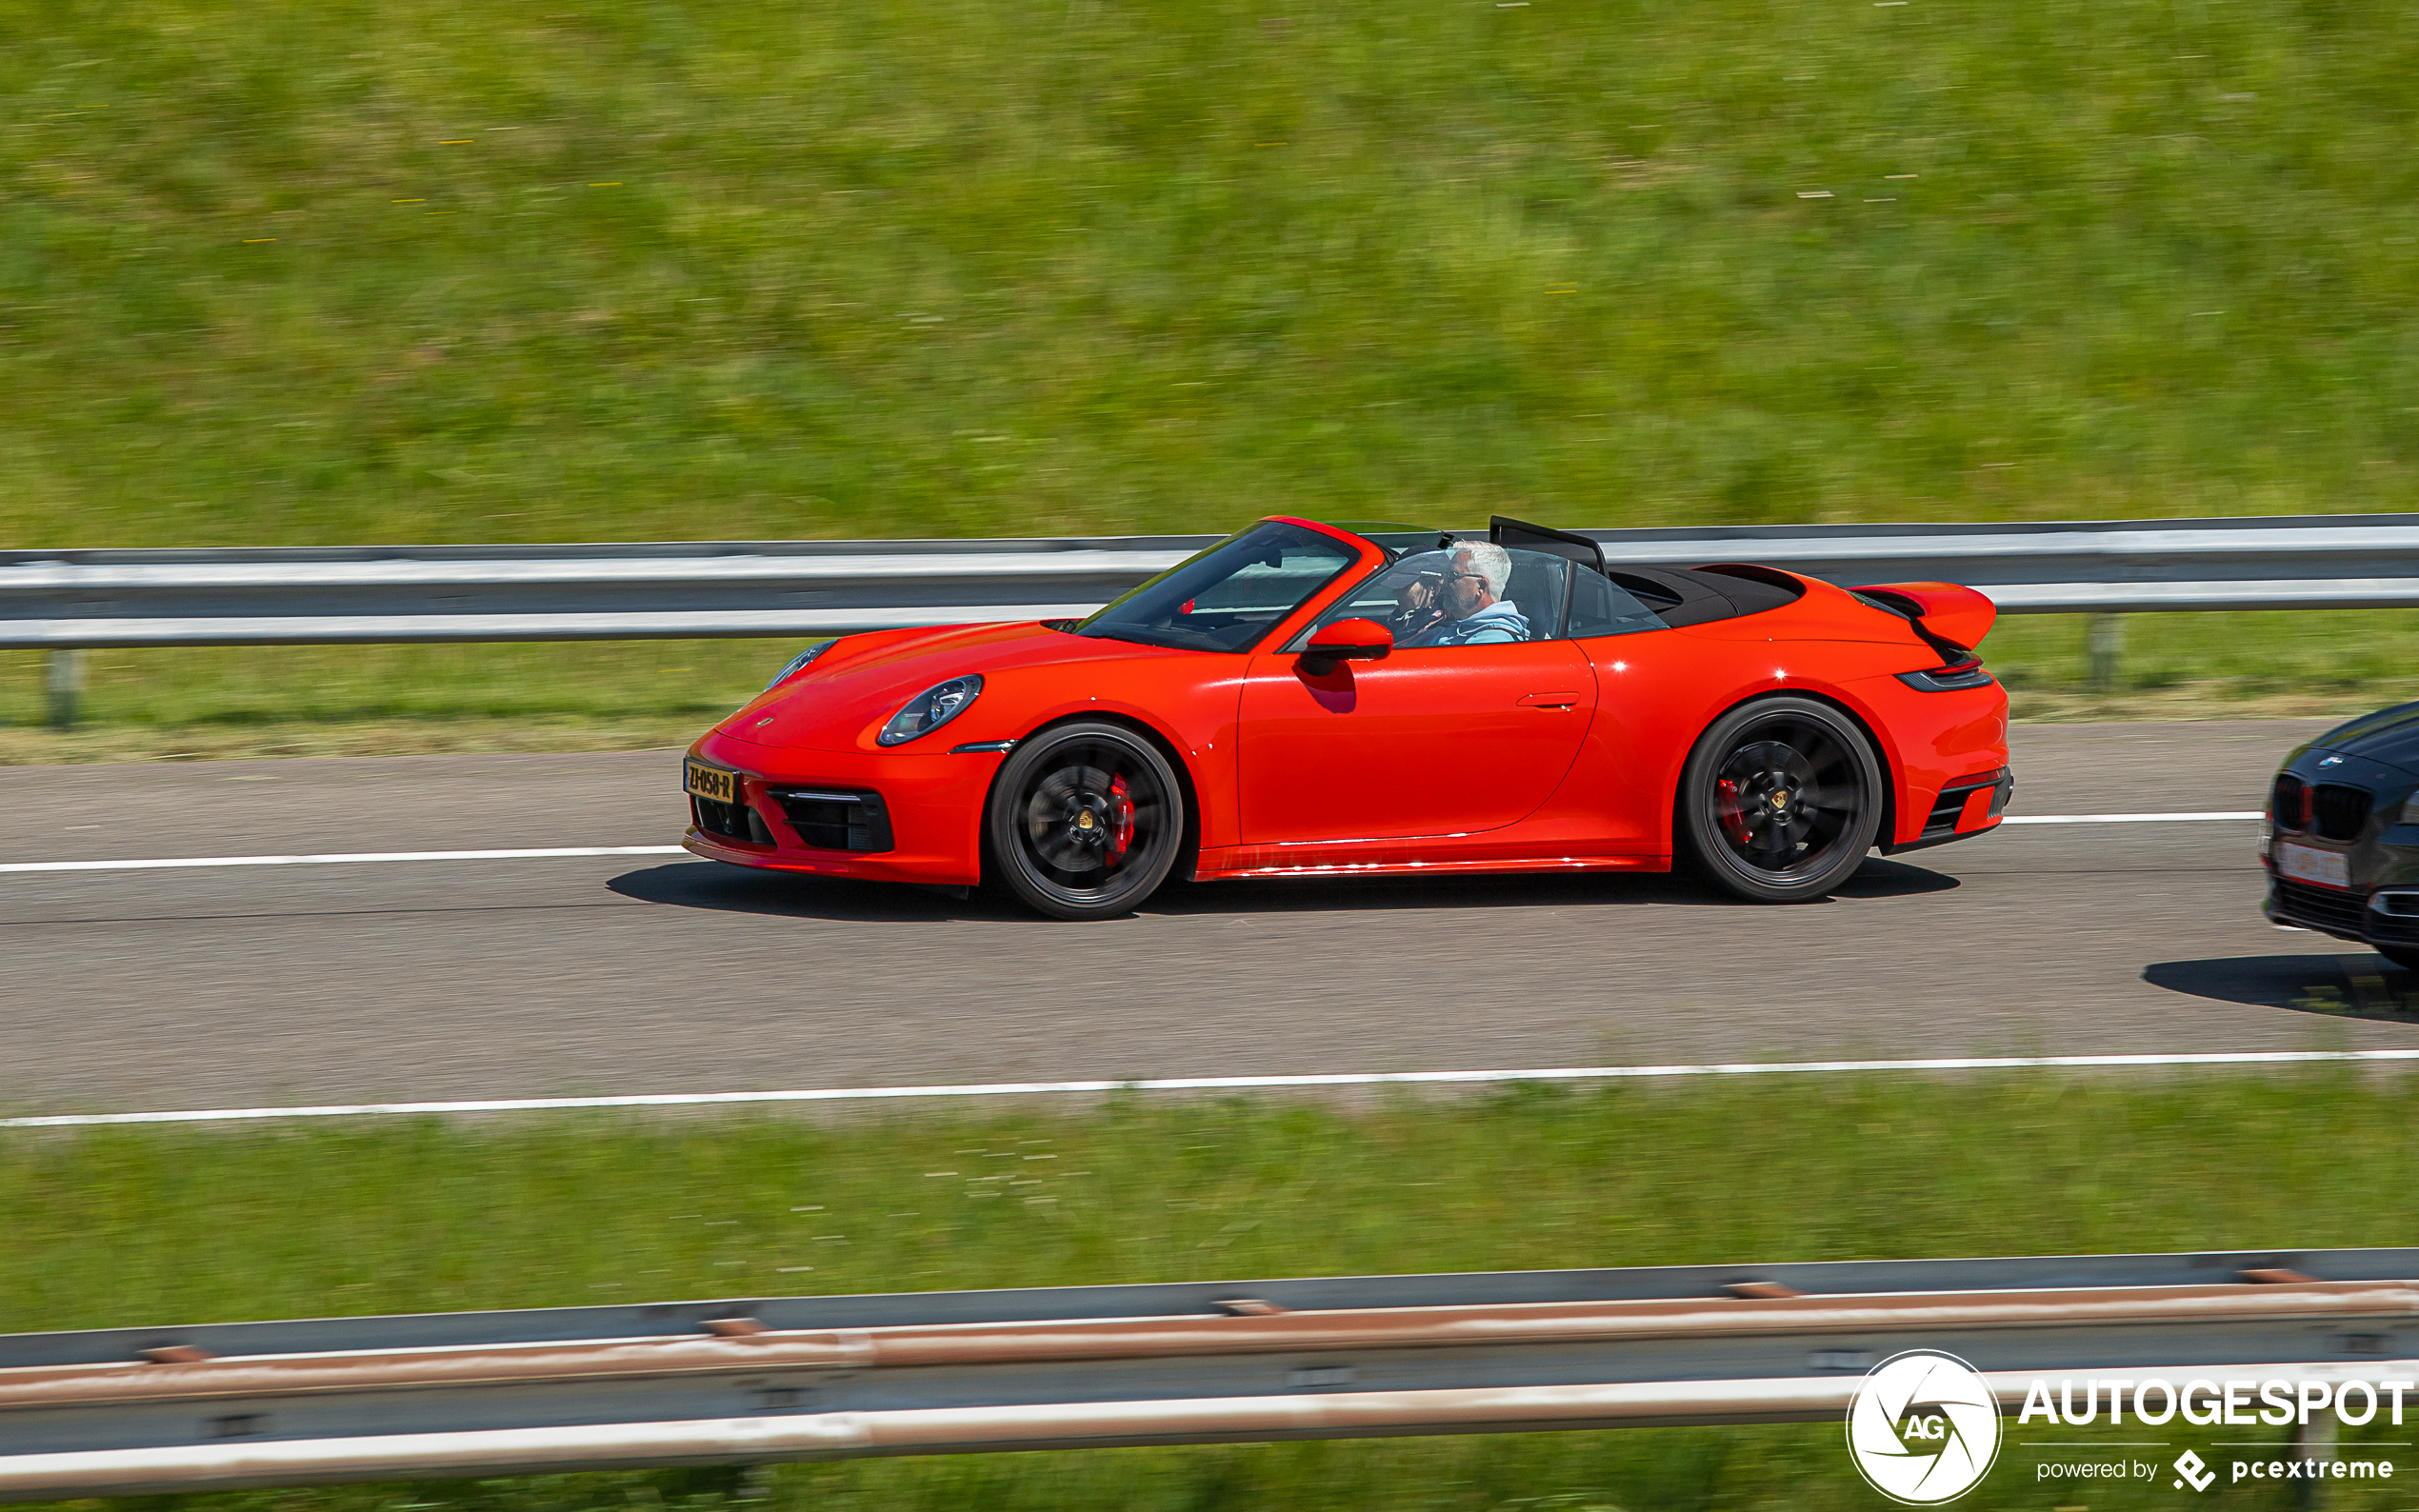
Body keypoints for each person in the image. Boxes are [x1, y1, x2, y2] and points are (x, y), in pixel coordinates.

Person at [1402, 541, 1529, 646]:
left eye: (1453, 575)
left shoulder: (1492, 642)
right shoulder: (1463, 627)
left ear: (1481, 587)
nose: (1444, 582)